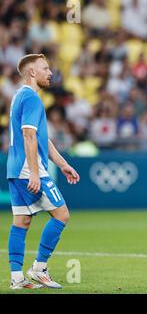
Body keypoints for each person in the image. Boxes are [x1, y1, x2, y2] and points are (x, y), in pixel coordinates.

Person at [7, 54, 80, 289]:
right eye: (45, 68)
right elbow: (29, 135)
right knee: (62, 215)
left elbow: (40, 139)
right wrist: (36, 173)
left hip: (15, 169)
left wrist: (62, 164)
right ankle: (39, 268)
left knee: (22, 221)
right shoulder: (32, 98)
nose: (50, 73)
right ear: (32, 73)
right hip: (29, 170)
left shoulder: (19, 96)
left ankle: (17, 277)